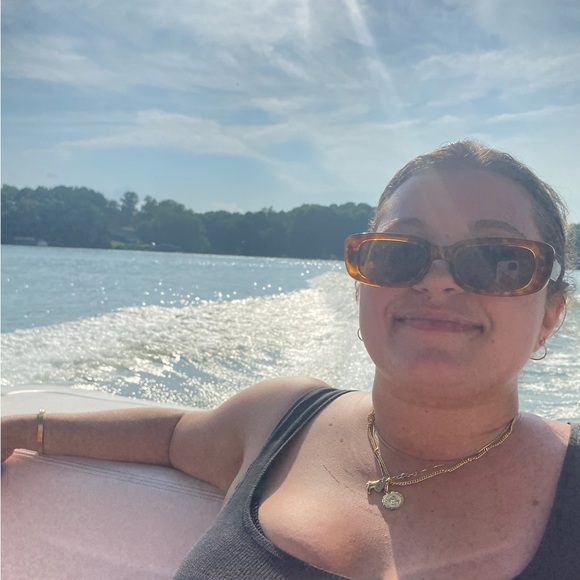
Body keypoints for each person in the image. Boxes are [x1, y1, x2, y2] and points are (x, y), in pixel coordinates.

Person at [2, 140, 579, 579]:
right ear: (361, 285)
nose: (436, 280)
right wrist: (24, 428)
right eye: (398, 252)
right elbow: (175, 434)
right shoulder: (282, 417)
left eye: (496, 259)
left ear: (551, 314)